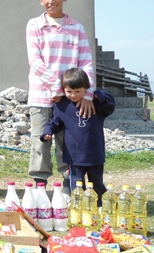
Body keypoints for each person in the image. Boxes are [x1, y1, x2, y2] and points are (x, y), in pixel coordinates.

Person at [26, 0, 95, 193]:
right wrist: (56, 88)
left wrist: (88, 94)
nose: (51, 1)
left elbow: (86, 62)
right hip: (41, 96)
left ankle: (69, 183)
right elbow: (35, 60)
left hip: (70, 99)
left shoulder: (76, 28)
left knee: (68, 141)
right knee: (40, 140)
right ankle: (39, 184)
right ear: (40, 1)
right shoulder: (35, 25)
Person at [41, 68, 115, 205]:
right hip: (74, 155)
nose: (73, 95)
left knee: (96, 182)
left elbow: (110, 104)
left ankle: (100, 206)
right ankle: (79, 206)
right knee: (76, 184)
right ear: (63, 89)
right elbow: (55, 121)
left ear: (86, 89)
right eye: (69, 91)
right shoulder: (62, 105)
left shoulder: (96, 104)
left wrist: (96, 94)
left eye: (77, 91)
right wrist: (48, 131)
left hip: (95, 153)